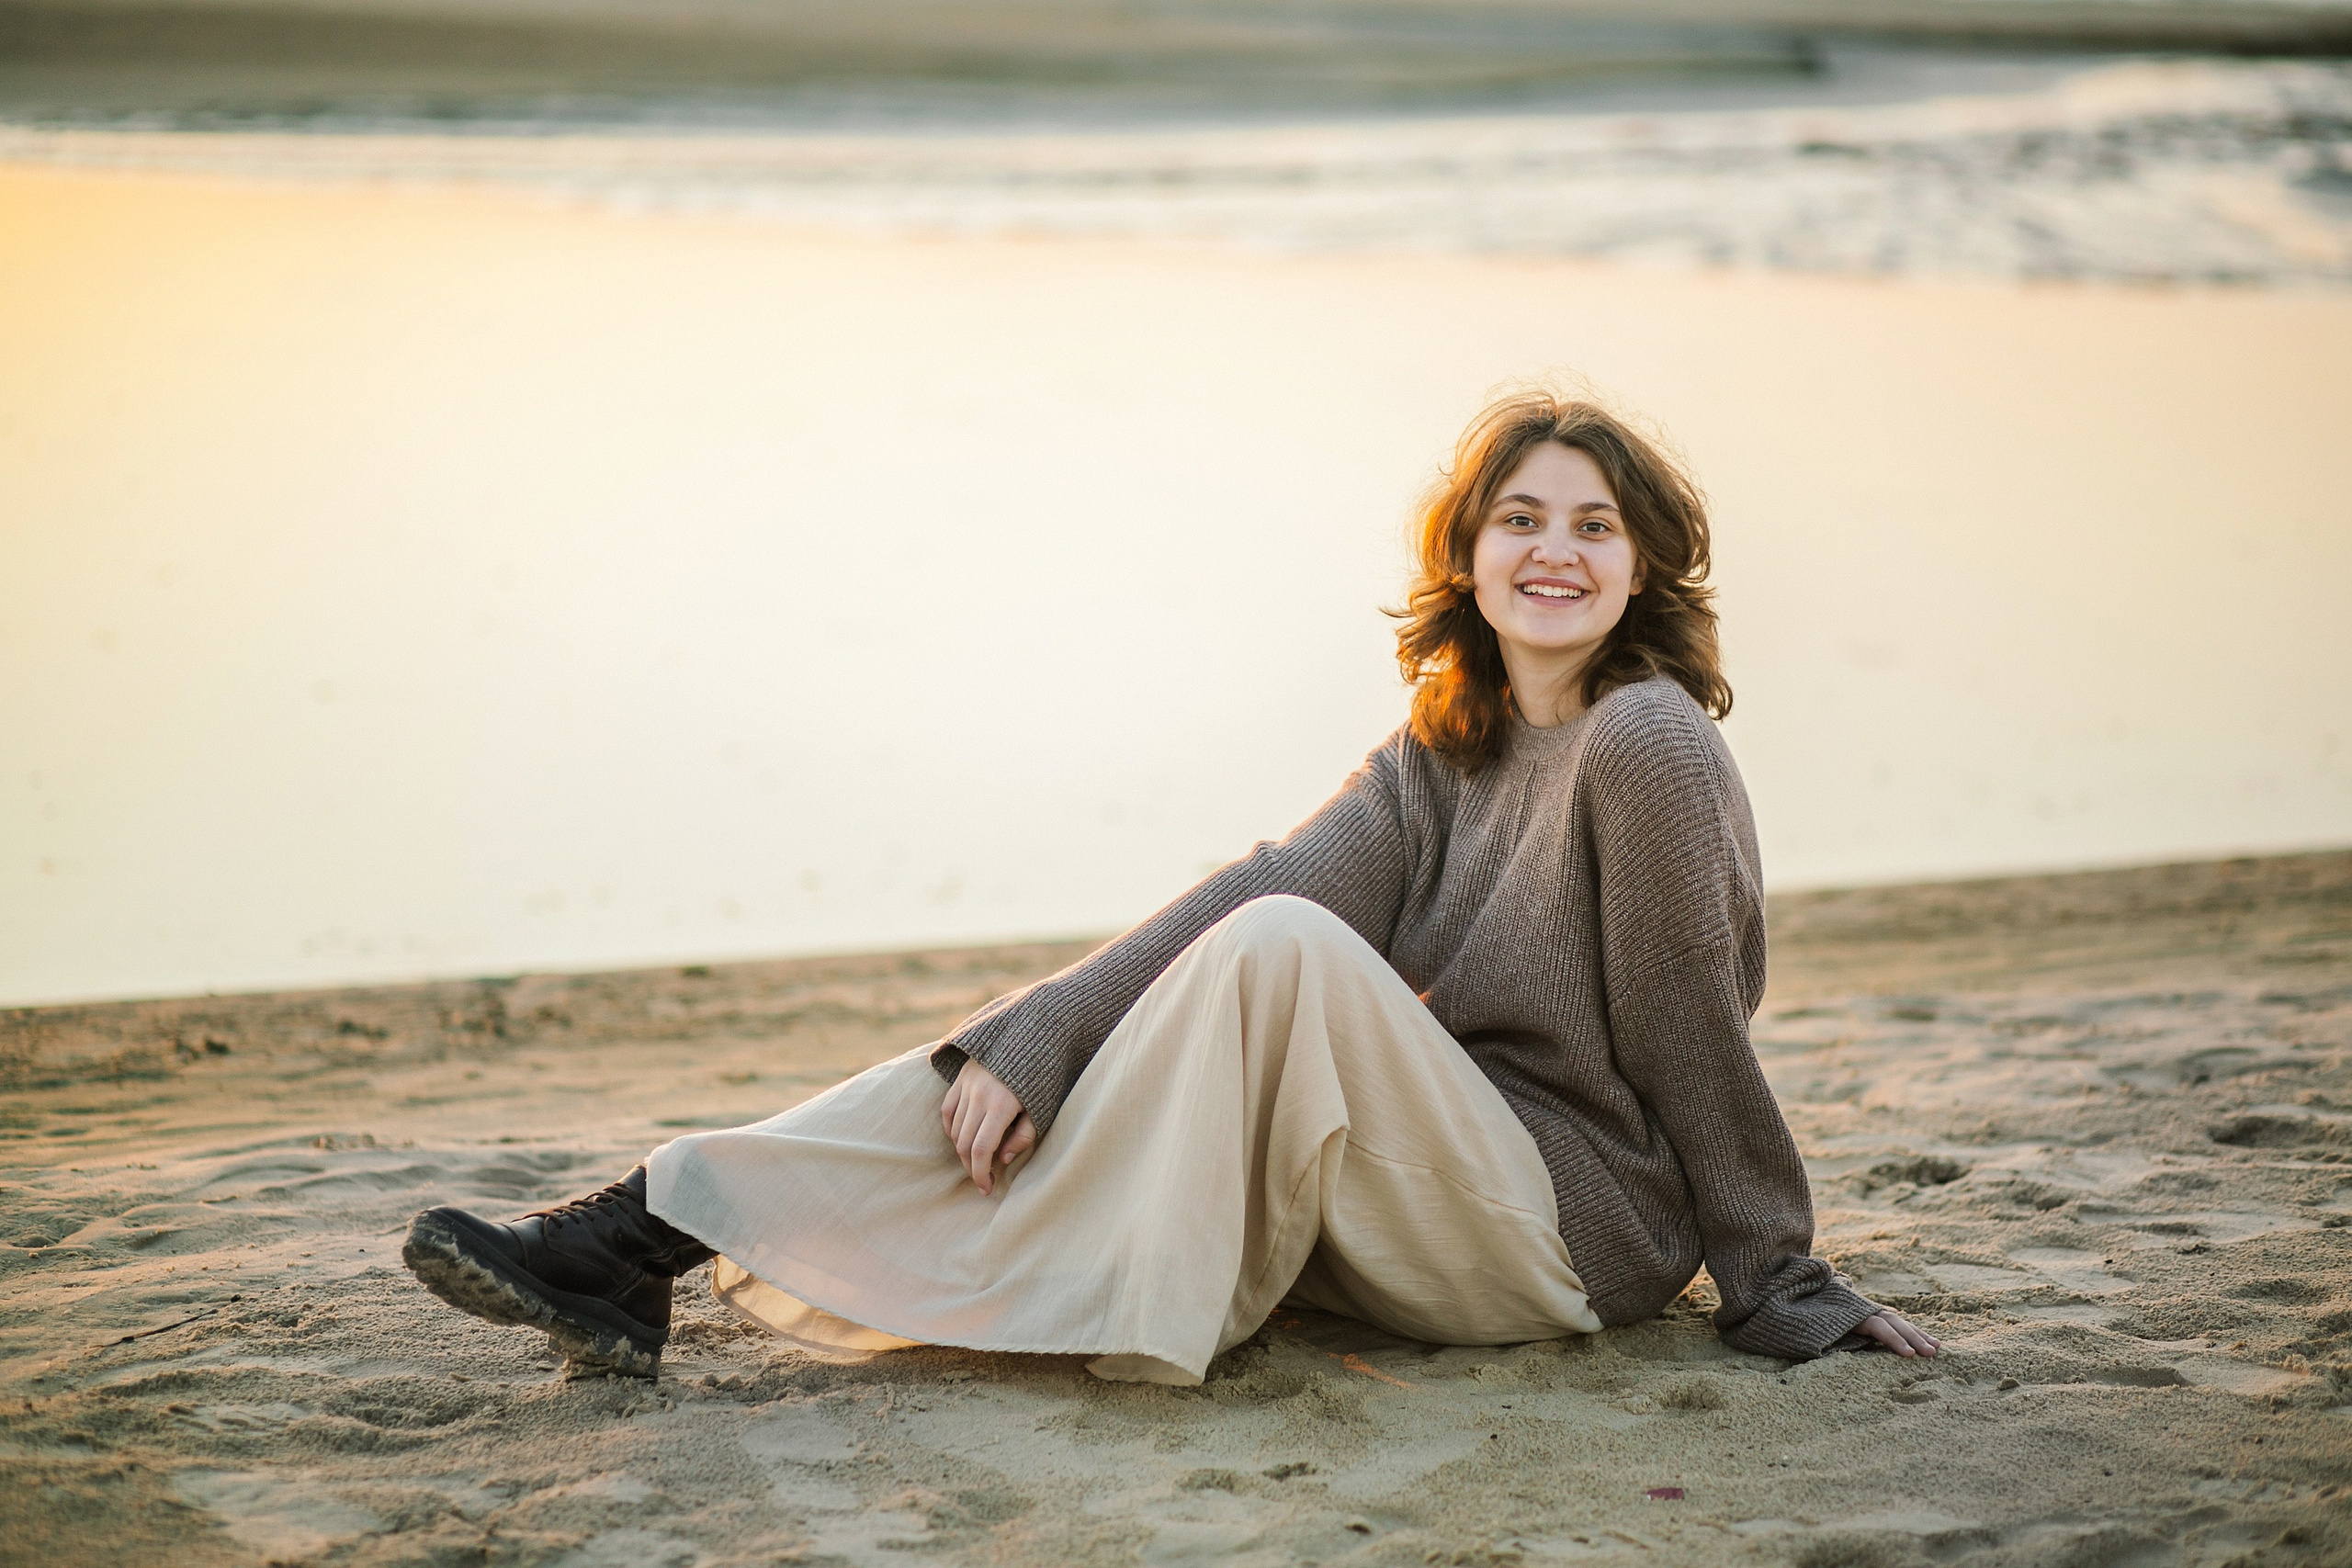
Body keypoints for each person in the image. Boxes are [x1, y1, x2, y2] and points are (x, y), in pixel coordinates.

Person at [402, 389, 1939, 1384]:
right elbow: (1267, 881)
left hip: (1575, 1229)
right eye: (1520, 519)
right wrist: (1039, 1034)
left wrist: (1776, 1277)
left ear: (1642, 566)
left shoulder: (1647, 743)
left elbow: (1692, 1024)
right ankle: (644, 1229)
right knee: (1152, 997)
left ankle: (716, 1235)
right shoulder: (1443, 746)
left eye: (1594, 527)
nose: (1556, 552)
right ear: (1466, 559)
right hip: (1422, 1202)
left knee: (1277, 952)